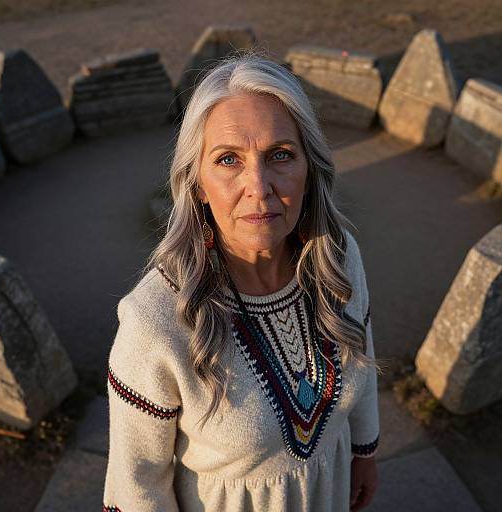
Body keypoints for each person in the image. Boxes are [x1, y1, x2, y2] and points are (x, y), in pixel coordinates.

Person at [102, 50, 382, 512]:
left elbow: (363, 357)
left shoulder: (338, 257)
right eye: (229, 159)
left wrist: (364, 453)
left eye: (281, 155)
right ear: (196, 183)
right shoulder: (154, 320)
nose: (259, 185)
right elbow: (136, 486)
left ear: (310, 170)